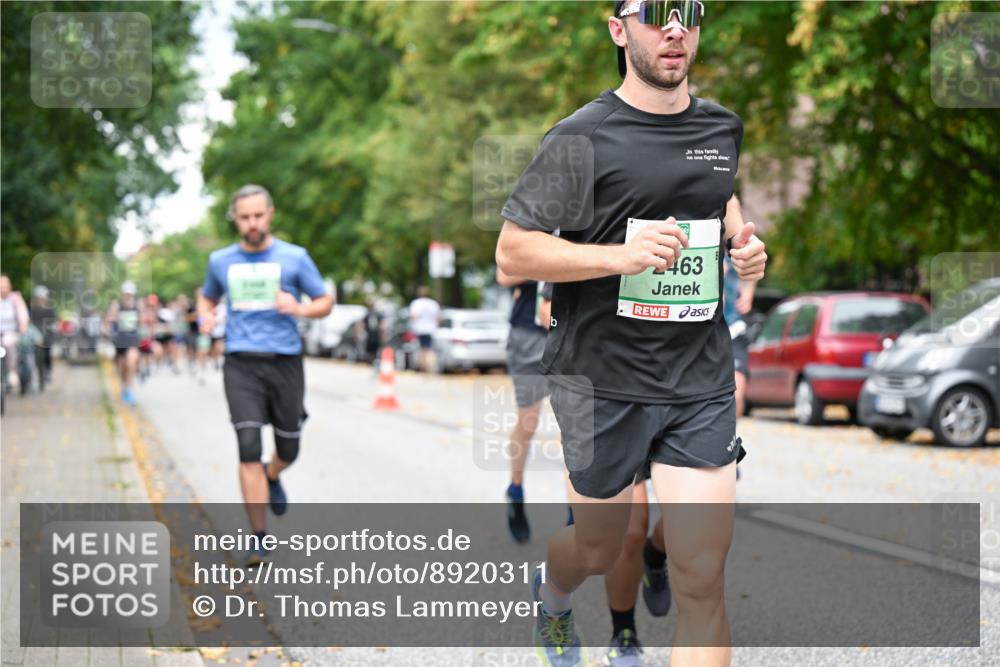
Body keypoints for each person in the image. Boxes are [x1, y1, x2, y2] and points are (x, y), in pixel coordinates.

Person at [494, 2, 767, 665]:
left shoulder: (720, 128)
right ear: (618, 30)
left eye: (689, 12)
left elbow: (714, 194)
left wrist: (742, 244)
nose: (674, 27)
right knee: (597, 547)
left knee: (702, 573)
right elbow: (513, 254)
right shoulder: (580, 138)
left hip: (696, 378)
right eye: (654, 14)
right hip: (602, 379)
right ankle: (553, 595)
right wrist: (619, 254)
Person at [198, 184, 332, 566]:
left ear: (270, 214)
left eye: (258, 216)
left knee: (289, 447)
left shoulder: (295, 257)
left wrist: (300, 308)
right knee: (248, 446)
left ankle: (274, 476)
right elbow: (207, 297)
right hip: (240, 363)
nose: (252, 223)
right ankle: (258, 537)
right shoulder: (220, 261)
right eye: (244, 217)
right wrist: (206, 313)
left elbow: (324, 301)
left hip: (285, 362)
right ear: (235, 218)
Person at [496, 271, 550, 544]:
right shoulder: (535, 227)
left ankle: (575, 512)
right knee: (528, 422)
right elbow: (504, 274)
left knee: (575, 425)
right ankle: (516, 490)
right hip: (529, 335)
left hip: (574, 329)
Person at [106, 281, 143, 406]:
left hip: (133, 340)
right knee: (122, 368)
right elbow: (109, 321)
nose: (128, 295)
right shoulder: (117, 306)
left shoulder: (138, 306)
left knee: (131, 362)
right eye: (126, 293)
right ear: (123, 293)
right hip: (120, 340)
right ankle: (124, 387)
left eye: (130, 293)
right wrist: (112, 322)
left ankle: (130, 389)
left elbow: (143, 321)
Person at [0, 274, 30, 393]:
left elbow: (23, 315)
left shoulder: (15, 299)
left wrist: (23, 325)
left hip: (11, 332)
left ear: (10, 287)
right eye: (1, 287)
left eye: (5, 286)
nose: (3, 289)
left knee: (9, 344)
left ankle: (12, 371)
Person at [29, 285, 57, 388]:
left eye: (42, 298)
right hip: (35, 335)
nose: (40, 300)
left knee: (47, 352)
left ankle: (48, 370)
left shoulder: (50, 310)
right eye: (38, 298)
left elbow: (53, 322)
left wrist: (50, 329)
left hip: (47, 335)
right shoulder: (32, 310)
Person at [408, 286, 440, 372]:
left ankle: (423, 366)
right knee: (428, 348)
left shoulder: (416, 303)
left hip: (419, 329)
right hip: (430, 329)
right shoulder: (433, 303)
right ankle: (429, 365)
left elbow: (413, 316)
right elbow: (437, 318)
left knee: (421, 349)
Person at [363, 299, 383, 366]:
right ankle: (370, 361)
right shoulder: (367, 314)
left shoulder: (377, 314)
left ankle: (374, 361)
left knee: (375, 348)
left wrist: (381, 332)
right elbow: (363, 323)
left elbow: (381, 324)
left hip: (375, 334)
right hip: (369, 334)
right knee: (369, 348)